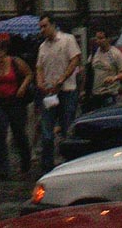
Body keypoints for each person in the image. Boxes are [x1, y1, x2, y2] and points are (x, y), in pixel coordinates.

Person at [34, 16, 80, 172]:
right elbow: (39, 67)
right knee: (47, 131)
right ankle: (47, 164)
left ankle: (70, 163)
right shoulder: (43, 46)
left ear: (53, 25)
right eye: (40, 27)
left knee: (67, 127)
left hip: (66, 90)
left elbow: (75, 60)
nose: (42, 30)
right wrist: (40, 82)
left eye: (45, 26)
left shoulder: (67, 40)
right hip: (49, 92)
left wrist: (63, 78)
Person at [0, 35, 32, 179]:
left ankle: (25, 160)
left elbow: (29, 74)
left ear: (4, 50)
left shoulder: (15, 62)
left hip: (15, 101)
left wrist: (22, 87)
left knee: (18, 132)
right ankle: (2, 168)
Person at [86, 30, 122, 110]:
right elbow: (88, 71)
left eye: (101, 38)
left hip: (109, 93)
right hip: (95, 94)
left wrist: (114, 78)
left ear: (108, 39)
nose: (98, 41)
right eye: (97, 38)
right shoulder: (95, 53)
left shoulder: (115, 54)